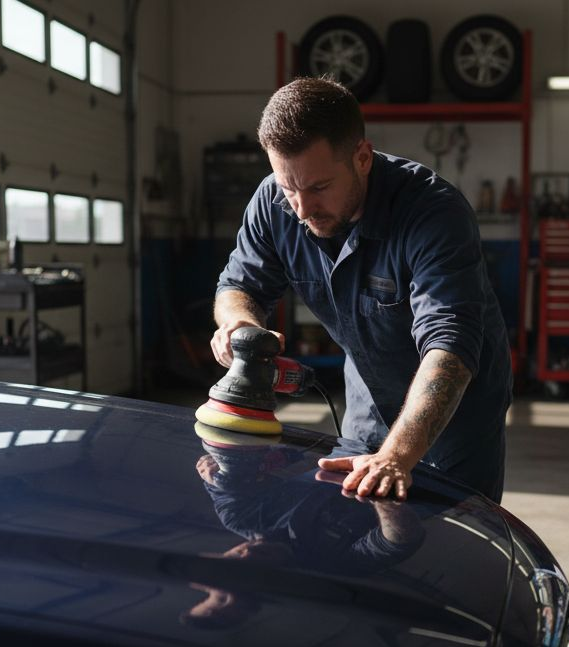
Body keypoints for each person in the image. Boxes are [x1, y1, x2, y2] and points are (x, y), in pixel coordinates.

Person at [211, 77, 512, 503]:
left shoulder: (433, 213)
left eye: (319, 188)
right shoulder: (273, 203)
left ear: (363, 158)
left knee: (453, 534)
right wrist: (239, 326)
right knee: (357, 524)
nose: (302, 209)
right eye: (288, 188)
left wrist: (396, 455)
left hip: (455, 417)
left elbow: (450, 343)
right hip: (367, 406)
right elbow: (239, 285)